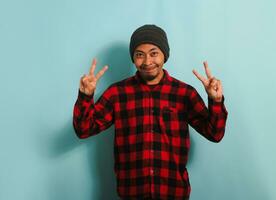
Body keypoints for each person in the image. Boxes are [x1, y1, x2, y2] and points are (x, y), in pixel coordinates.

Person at [73, 24, 228, 200]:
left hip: (174, 192)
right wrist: (86, 96)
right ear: (133, 58)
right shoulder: (117, 93)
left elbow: (215, 133)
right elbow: (83, 129)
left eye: (154, 53)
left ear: (165, 55)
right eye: (140, 54)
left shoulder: (184, 93)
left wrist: (215, 101)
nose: (147, 62)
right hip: (131, 193)